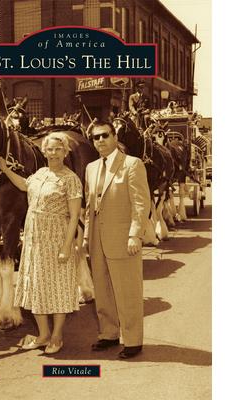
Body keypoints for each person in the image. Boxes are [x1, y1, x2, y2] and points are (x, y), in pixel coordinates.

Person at [0, 132, 82, 355]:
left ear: (65, 152)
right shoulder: (40, 173)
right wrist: (6, 169)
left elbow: (74, 216)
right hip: (34, 240)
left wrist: (66, 247)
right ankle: (43, 335)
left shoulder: (70, 179)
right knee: (36, 286)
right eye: (49, 149)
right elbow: (25, 185)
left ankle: (57, 336)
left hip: (56, 238)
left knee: (59, 288)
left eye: (58, 149)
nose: (53, 153)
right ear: (44, 151)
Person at [83, 121, 151, 359]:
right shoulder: (91, 168)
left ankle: (133, 341)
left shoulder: (132, 164)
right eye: (96, 137)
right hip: (97, 238)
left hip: (123, 238)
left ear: (114, 137)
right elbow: (90, 205)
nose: (100, 141)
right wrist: (86, 235)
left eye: (104, 135)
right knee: (102, 290)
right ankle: (109, 334)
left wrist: (135, 234)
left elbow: (141, 203)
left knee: (127, 291)